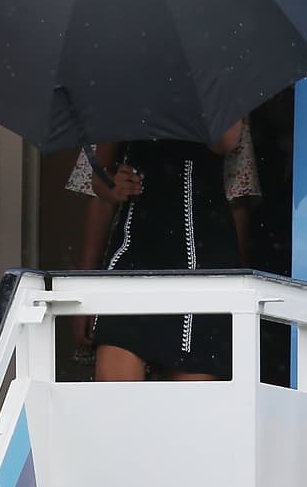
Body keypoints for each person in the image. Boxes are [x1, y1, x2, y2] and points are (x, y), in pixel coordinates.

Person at [66, 122, 261, 362]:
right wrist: (85, 288)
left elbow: (231, 161)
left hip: (205, 259)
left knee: (193, 381)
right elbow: (99, 180)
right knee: (115, 377)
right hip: (135, 255)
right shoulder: (120, 100)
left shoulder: (219, 100)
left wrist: (241, 297)